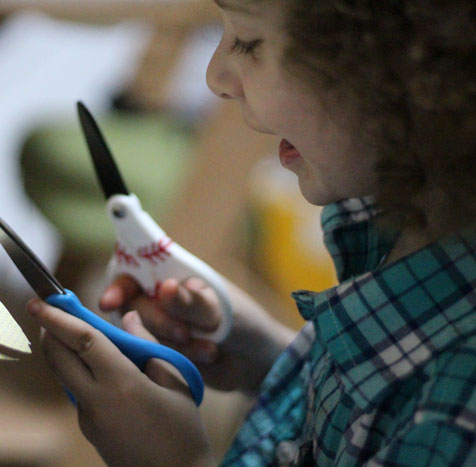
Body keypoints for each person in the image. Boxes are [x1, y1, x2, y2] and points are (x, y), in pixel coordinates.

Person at [26, 0, 476, 465]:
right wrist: (269, 356)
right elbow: (361, 414)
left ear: (396, 72)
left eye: (248, 41)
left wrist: (176, 461)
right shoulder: (404, 220)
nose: (215, 78)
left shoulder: (458, 417)